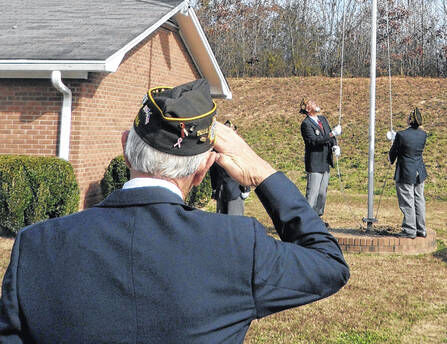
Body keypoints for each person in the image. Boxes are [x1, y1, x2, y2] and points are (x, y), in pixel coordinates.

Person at [0, 79, 349, 343]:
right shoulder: (237, 246)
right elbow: (328, 263)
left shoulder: (37, 245)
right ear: (201, 172)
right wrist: (262, 173)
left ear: (125, 147)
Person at [299, 96, 342, 225]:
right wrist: (331, 135)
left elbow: (329, 133)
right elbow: (314, 141)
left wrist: (334, 144)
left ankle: (317, 218)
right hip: (315, 162)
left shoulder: (322, 119)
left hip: (325, 161)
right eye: (312, 103)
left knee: (322, 193)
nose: (315, 104)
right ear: (307, 108)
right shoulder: (306, 124)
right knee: (312, 193)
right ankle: (307, 221)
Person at [388, 107, 427, 239]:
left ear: (410, 120)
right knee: (419, 199)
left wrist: (393, 142)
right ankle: (421, 229)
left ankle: (410, 229)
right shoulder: (423, 134)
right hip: (419, 171)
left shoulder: (401, 135)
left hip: (405, 171)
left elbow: (394, 153)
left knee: (407, 201)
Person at [210, 120, 250, 215]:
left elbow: (245, 169)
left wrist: (246, 188)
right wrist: (214, 188)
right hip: (221, 189)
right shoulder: (216, 150)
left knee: (235, 220)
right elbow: (213, 171)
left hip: (235, 191)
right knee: (221, 221)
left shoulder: (239, 149)